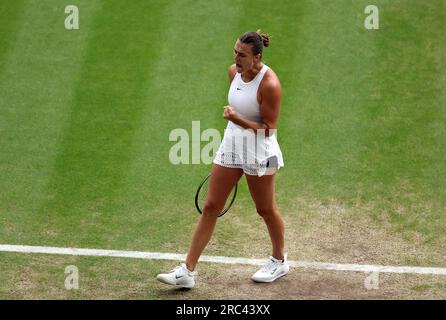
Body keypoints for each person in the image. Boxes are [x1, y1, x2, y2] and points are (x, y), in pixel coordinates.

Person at [157, 31, 288, 289]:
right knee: (211, 206)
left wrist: (237, 119)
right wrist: (236, 125)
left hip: (261, 151)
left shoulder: (269, 84)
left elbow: (270, 129)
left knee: (265, 209)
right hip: (232, 145)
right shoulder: (233, 72)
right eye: (235, 52)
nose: (236, 58)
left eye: (242, 54)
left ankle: (279, 260)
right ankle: (187, 271)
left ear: (257, 57)